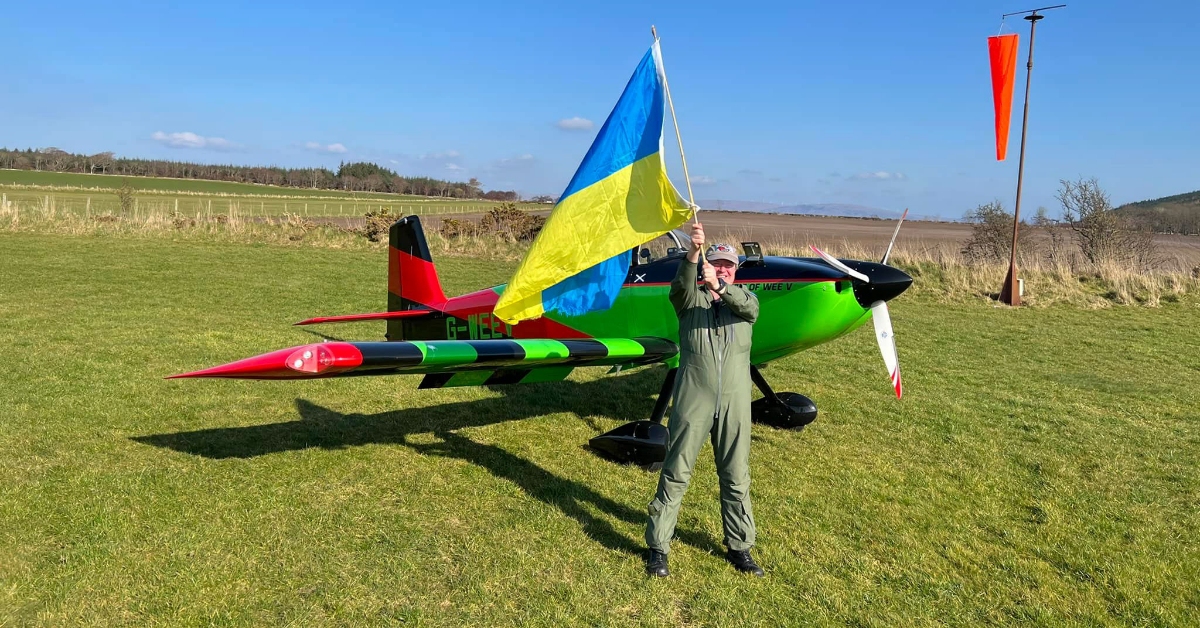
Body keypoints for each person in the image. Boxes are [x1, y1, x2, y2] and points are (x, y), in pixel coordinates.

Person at [644, 220, 764, 578]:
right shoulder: (688, 301)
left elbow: (750, 309)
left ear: (735, 271)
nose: (724, 269)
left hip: (735, 403)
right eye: (718, 264)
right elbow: (680, 285)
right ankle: (658, 548)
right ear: (707, 266)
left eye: (730, 265)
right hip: (694, 398)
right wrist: (694, 252)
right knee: (676, 472)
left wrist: (721, 287)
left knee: (735, 475)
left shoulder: (745, 302)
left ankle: (740, 547)